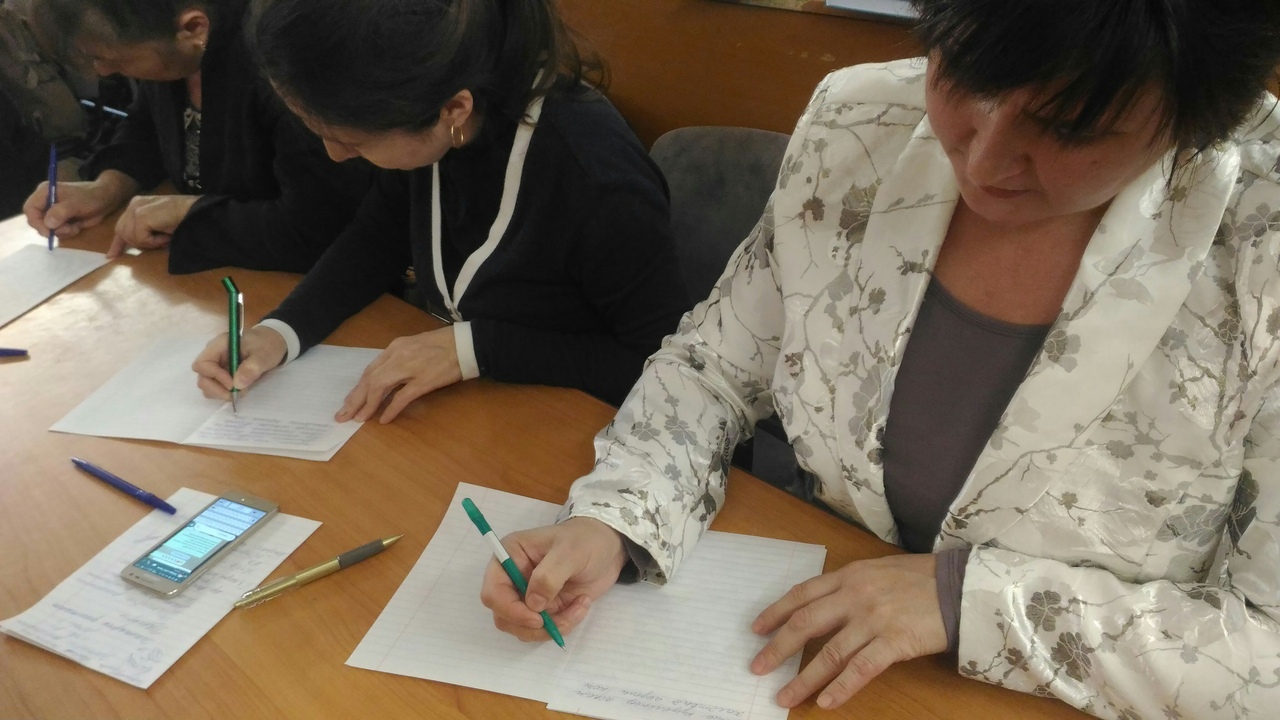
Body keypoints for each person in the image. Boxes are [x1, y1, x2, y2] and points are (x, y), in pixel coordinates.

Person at [479, 1, 1280, 717]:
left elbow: (1267, 649)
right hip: (808, 650)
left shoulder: (1260, 241)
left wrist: (973, 604)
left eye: (1068, 128)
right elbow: (713, 368)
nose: (984, 159)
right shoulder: (858, 125)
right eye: (964, 73)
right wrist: (617, 517)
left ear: (1195, 118)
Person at [190, 0, 688, 420]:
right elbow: (376, 238)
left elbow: (660, 366)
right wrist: (280, 332)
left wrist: (476, 349)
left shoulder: (596, 181)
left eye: (353, 142)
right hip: (482, 407)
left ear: (454, 110)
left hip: (584, 423)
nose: (334, 156)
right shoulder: (426, 108)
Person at [21, 0, 371, 273]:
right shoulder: (175, 54)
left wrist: (191, 213)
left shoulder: (280, 68)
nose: (102, 71)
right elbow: (145, 128)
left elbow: (316, 226)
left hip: (299, 279)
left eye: (112, 59)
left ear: (193, 28)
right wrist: (107, 187)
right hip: (220, 275)